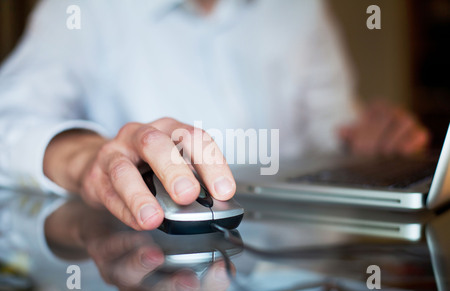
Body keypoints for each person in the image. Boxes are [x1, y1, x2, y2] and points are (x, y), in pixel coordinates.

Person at [0, 0, 429, 231]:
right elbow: (9, 121)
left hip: (294, 264)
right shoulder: (82, 8)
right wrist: (86, 159)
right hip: (145, 264)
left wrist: (363, 143)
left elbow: (329, 123)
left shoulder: (300, 9)